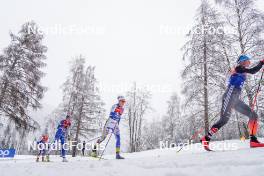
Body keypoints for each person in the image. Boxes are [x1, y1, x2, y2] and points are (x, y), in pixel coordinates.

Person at [201, 55, 264, 151]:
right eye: (248, 60)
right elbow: (253, 71)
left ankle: (253, 140)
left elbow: (251, 71)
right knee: (224, 120)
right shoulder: (239, 68)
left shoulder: (242, 70)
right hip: (229, 96)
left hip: (235, 99)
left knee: (253, 115)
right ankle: (206, 138)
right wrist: (261, 62)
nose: (249, 62)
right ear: (242, 61)